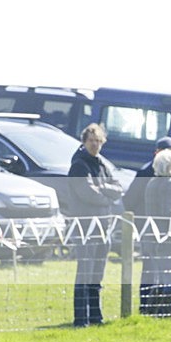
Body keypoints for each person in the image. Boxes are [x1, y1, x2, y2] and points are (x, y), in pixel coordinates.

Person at [67, 123, 123, 327]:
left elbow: (118, 188)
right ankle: (81, 318)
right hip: (85, 227)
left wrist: (103, 188)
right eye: (92, 141)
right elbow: (87, 193)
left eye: (99, 141)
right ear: (84, 141)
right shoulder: (79, 165)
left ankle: (96, 316)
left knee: (97, 274)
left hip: (103, 226)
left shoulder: (102, 164)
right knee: (85, 272)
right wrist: (107, 197)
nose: (95, 145)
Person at [122, 136, 171, 314]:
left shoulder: (161, 177)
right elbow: (130, 200)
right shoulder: (147, 173)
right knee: (153, 273)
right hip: (152, 229)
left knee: (156, 272)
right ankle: (153, 309)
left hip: (152, 230)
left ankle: (153, 309)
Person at [143, 149, 171, 318]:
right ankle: (166, 314)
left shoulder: (151, 183)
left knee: (158, 277)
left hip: (151, 237)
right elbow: (168, 212)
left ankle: (151, 312)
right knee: (169, 278)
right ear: (170, 166)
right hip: (168, 238)